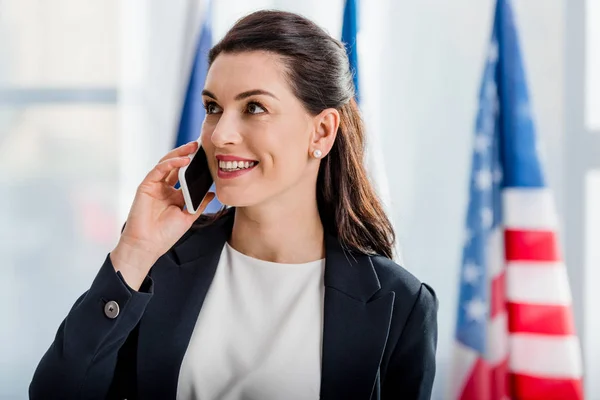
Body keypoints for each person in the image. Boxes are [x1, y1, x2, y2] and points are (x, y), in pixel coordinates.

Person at [29, 10, 438, 400]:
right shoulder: (158, 263)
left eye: (254, 107)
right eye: (213, 108)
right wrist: (133, 253)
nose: (220, 134)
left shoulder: (399, 304)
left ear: (322, 131)